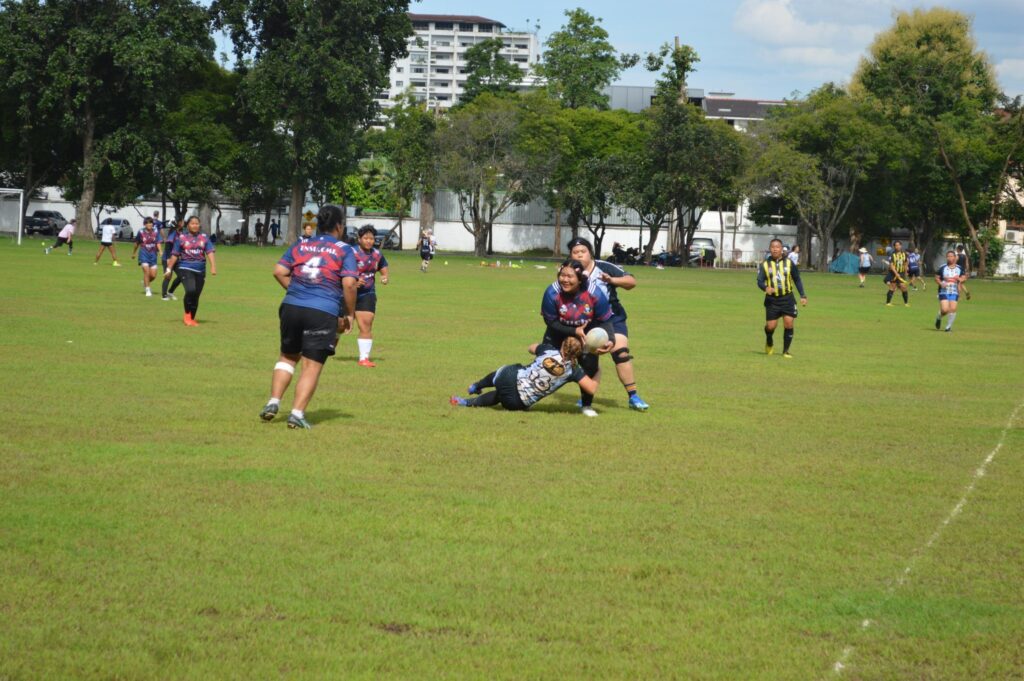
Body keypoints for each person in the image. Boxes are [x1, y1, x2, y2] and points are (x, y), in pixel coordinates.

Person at [259, 204, 358, 430]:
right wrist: (349, 314)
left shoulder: (302, 243)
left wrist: (297, 291)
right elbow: (350, 283)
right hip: (322, 310)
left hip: (291, 306)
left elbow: (279, 271)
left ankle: (273, 402)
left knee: (287, 357)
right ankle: (296, 414)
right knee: (311, 366)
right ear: (339, 226)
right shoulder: (344, 249)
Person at [566, 236, 649, 411]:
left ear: (590, 253)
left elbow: (631, 281)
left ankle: (633, 396)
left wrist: (612, 280)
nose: (579, 255)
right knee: (589, 361)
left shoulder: (604, 267)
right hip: (587, 320)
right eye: (575, 252)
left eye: (583, 251)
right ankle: (586, 398)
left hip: (612, 317)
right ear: (571, 255)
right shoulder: (570, 271)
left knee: (620, 353)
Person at [539, 259, 614, 417]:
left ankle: (586, 406)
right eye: (562, 275)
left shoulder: (594, 293)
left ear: (580, 279)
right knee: (546, 366)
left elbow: (605, 320)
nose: (565, 280)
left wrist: (610, 341)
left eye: (570, 276)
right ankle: (530, 396)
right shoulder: (552, 292)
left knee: (590, 368)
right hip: (557, 332)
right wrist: (574, 331)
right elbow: (551, 322)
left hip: (587, 335)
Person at [450, 336, 599, 411]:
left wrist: (542, 349)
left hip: (508, 379)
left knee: (510, 369)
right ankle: (467, 403)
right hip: (518, 403)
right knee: (501, 396)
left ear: (562, 344)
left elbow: (530, 347)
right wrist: (598, 371)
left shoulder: (548, 350)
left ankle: (476, 386)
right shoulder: (573, 370)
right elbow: (591, 388)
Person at [757, 238, 808, 358]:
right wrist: (765, 288)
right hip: (772, 300)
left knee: (789, 323)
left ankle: (785, 351)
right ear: (770, 249)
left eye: (777, 247)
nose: (775, 249)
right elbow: (759, 281)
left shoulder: (789, 263)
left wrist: (803, 295)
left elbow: (797, 279)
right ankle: (769, 341)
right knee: (770, 327)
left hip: (787, 299)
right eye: (772, 247)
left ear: (781, 249)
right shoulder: (765, 265)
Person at [164, 216, 216, 326]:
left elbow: (210, 252)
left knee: (196, 295)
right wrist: (168, 269)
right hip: (185, 267)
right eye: (192, 223)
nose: (195, 225)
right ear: (188, 225)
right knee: (190, 290)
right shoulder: (181, 238)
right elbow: (174, 255)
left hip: (200, 269)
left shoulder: (204, 237)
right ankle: (187, 315)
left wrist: (213, 267)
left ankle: (192, 318)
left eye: (197, 223)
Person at [352, 225, 390, 367]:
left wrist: (385, 276)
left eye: (371, 238)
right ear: (359, 239)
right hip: (347, 294)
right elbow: (339, 271)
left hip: (367, 293)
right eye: (365, 238)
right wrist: (353, 280)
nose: (368, 241)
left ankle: (364, 359)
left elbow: (383, 267)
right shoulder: (351, 253)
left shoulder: (376, 254)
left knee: (366, 323)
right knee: (340, 325)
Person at [935, 250, 967, 332]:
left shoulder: (959, 268)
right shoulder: (942, 267)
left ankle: (948, 327)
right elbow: (936, 278)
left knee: (953, 309)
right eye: (948, 256)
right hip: (943, 291)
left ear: (955, 258)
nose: (949, 258)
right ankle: (939, 317)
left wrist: (959, 279)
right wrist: (941, 284)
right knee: (945, 310)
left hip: (954, 291)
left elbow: (964, 278)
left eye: (951, 256)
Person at [131, 217, 163, 297]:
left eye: (151, 223)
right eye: (148, 223)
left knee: (153, 275)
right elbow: (136, 243)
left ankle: (145, 282)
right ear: (144, 224)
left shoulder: (156, 231)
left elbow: (158, 242)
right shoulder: (141, 232)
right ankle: (148, 289)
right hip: (144, 255)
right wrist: (134, 253)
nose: (149, 224)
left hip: (153, 256)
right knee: (146, 272)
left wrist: (160, 251)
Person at [161, 219, 183, 301]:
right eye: (181, 221)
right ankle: (164, 295)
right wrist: (168, 259)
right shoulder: (173, 234)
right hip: (168, 258)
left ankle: (170, 292)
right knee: (168, 276)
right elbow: (167, 246)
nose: (182, 223)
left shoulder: (179, 234)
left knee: (182, 276)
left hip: (176, 259)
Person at [885, 240, 910, 307]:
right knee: (892, 287)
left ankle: (906, 303)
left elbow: (906, 263)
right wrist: (896, 273)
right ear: (894, 247)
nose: (897, 246)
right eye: (896, 245)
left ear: (901, 246)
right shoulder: (892, 255)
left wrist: (906, 272)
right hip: (893, 273)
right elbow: (891, 265)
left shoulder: (904, 254)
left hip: (901, 273)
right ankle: (888, 303)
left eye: (899, 245)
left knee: (903, 287)